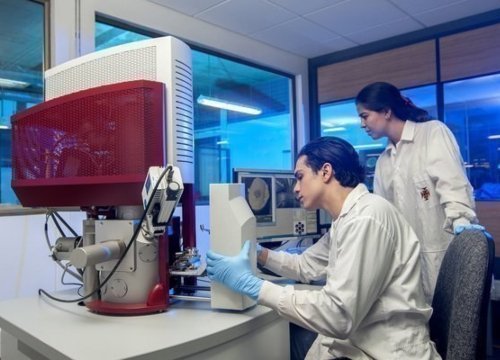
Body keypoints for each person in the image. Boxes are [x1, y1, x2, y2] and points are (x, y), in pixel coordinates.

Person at [207, 137, 441, 360]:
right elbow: (305, 265)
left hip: (384, 352)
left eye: (300, 177)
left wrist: (255, 287)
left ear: (326, 172)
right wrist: (259, 253)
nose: (295, 188)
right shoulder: (348, 218)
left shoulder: (366, 218)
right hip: (364, 341)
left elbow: (338, 316)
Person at [355, 81, 483, 302]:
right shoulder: (383, 161)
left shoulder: (432, 133)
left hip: (445, 253)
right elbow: (385, 214)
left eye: (364, 116)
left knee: (454, 327)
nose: (361, 124)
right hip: (406, 264)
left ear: (386, 111)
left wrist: (462, 224)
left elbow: (452, 185)